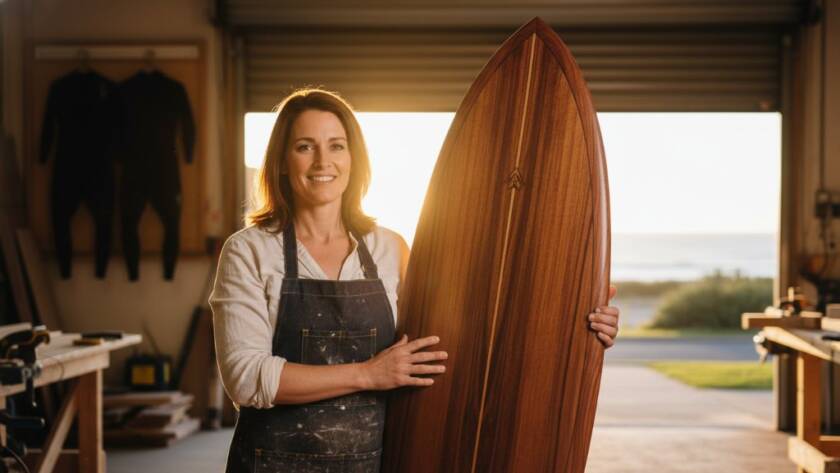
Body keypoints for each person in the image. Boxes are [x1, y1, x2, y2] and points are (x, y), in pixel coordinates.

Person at [209, 88, 620, 473]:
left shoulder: (390, 249)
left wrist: (577, 324)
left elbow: (458, 342)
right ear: (281, 161)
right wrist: (369, 375)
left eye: (337, 145)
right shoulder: (248, 251)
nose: (323, 162)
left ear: (354, 159)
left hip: (375, 464)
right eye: (304, 147)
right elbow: (246, 378)